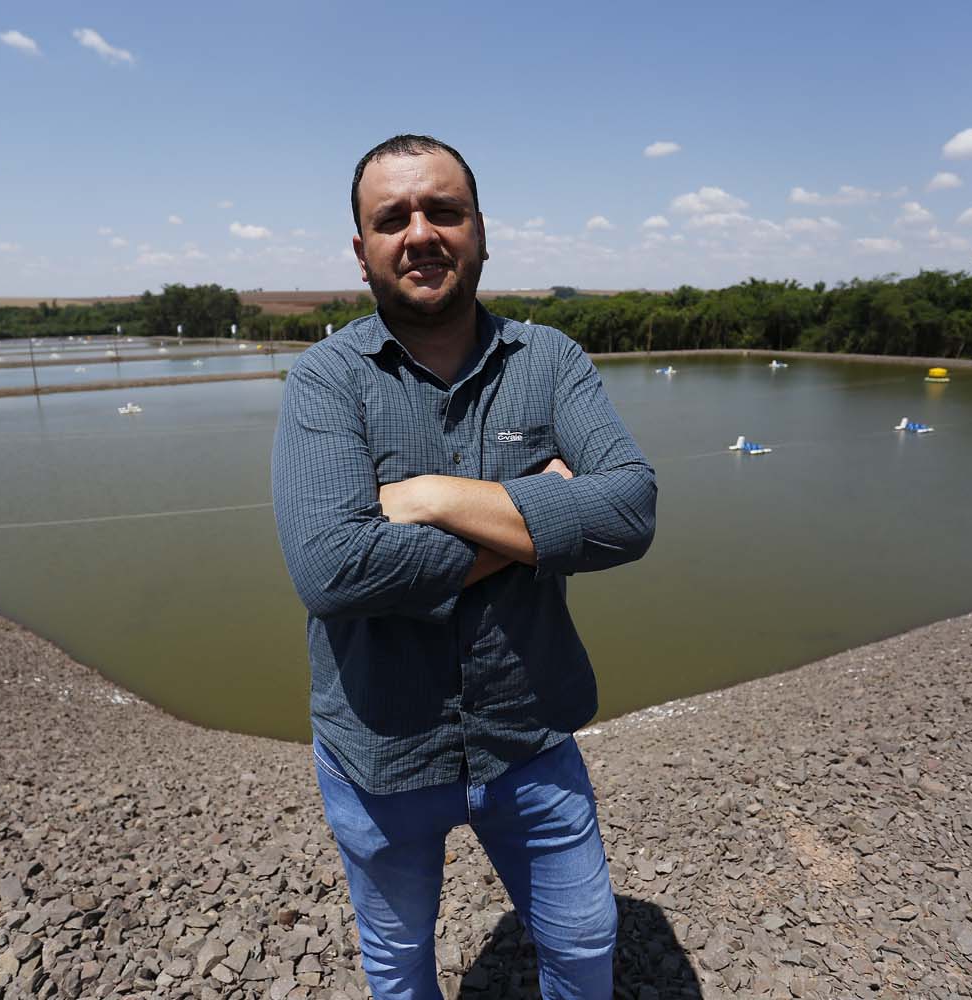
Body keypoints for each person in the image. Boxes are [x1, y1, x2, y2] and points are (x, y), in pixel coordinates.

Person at [271, 134, 657, 999]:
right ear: (362, 248)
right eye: (393, 217)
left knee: (586, 943)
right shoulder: (326, 382)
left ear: (481, 231)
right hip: (379, 750)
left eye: (444, 210)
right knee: (398, 960)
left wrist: (435, 495)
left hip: (530, 737)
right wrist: (535, 515)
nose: (421, 233)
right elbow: (334, 569)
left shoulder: (550, 361)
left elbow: (630, 512)